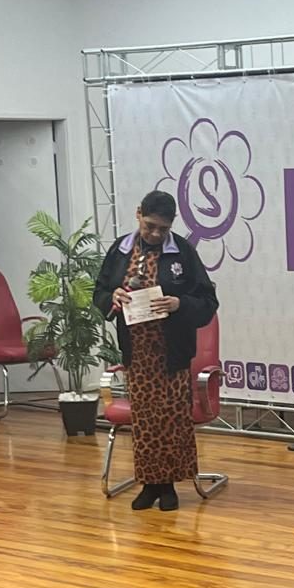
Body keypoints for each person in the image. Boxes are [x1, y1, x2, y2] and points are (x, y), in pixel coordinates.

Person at [93, 190, 218, 512]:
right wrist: (113, 298)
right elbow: (100, 292)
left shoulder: (183, 253)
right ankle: (149, 484)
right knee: (145, 421)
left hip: (171, 351)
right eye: (150, 226)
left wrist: (179, 304)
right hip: (137, 352)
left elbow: (208, 301)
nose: (155, 234)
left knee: (172, 419)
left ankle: (170, 486)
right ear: (138, 214)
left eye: (163, 228)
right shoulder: (121, 250)